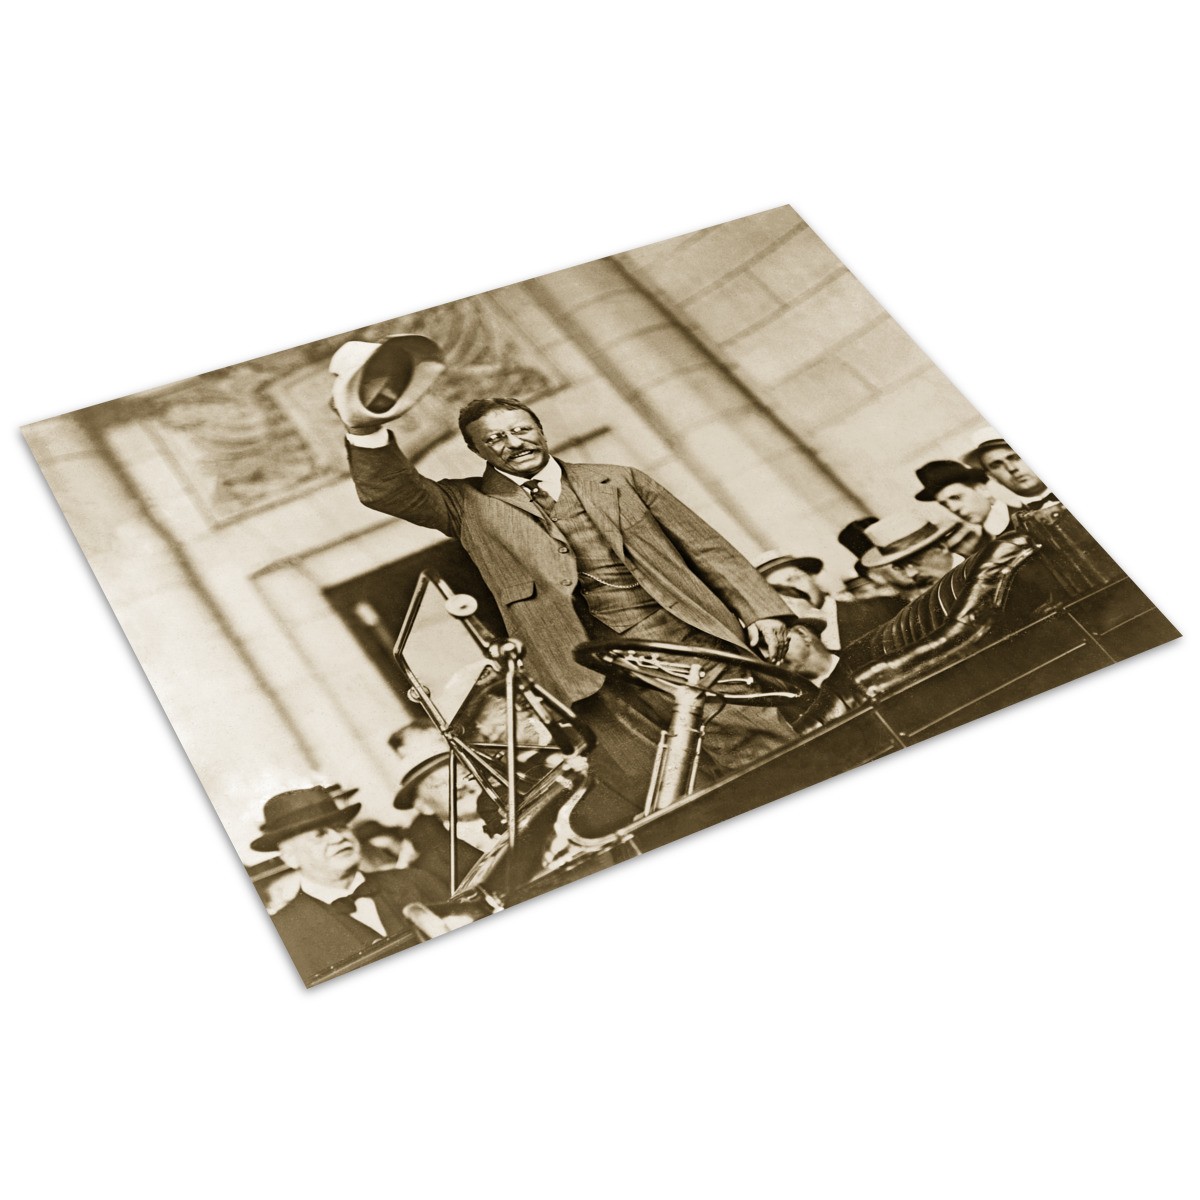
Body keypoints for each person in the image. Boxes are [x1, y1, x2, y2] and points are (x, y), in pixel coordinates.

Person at [332, 337, 797, 823]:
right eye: (495, 439)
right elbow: (388, 491)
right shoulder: (465, 505)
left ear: (540, 428)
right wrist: (364, 429)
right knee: (665, 787)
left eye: (521, 429)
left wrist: (762, 609)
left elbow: (705, 547)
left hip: (683, 638)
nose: (514, 443)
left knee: (757, 741)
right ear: (475, 450)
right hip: (581, 673)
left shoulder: (621, 479)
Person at [252, 786, 443, 986]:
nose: (338, 837)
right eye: (319, 834)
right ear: (290, 857)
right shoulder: (282, 933)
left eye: (341, 827)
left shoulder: (416, 880)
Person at [752, 549, 905, 649]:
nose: (792, 591)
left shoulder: (883, 607)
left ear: (813, 578)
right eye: (776, 590)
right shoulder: (785, 644)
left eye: (794, 578)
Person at [858, 512, 967, 589]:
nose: (910, 574)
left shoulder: (975, 567)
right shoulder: (930, 600)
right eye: (899, 567)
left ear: (941, 547)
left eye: (913, 563)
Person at [914, 460, 1014, 536]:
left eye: (956, 497)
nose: (953, 508)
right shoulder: (983, 543)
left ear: (982, 489)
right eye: (944, 504)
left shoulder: (1020, 516)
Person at [964, 431, 1057, 507]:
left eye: (1015, 458)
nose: (1011, 468)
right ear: (992, 477)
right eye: (997, 465)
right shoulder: (1008, 521)